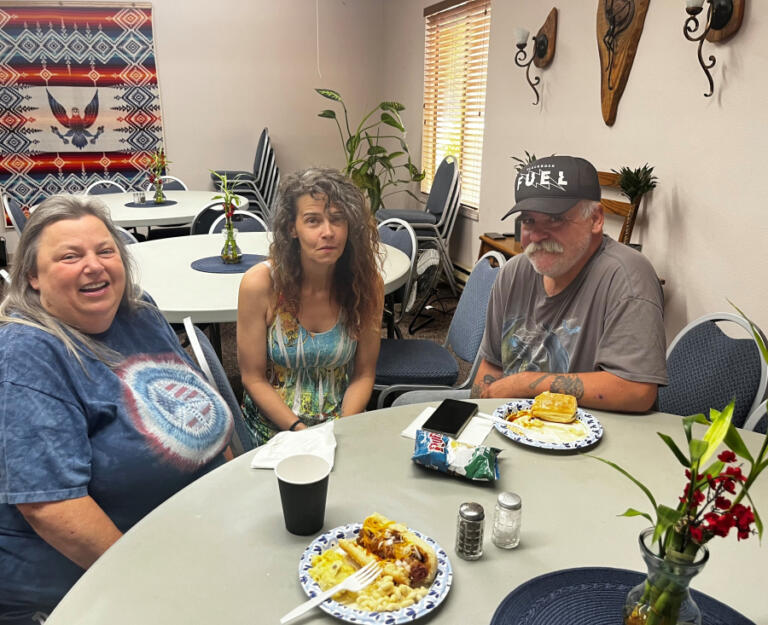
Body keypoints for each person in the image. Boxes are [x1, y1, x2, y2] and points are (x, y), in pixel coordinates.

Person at [0, 195, 233, 621]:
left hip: (189, 538)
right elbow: (51, 506)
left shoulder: (139, 313)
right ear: (33, 276)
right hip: (84, 582)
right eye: (70, 256)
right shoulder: (27, 352)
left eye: (105, 251)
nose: (94, 265)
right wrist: (145, 582)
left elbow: (201, 410)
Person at [471, 155, 667, 412]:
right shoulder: (513, 274)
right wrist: (476, 419)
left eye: (555, 219)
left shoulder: (627, 278)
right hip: (515, 427)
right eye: (529, 220)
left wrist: (527, 384)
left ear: (596, 219)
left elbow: (636, 390)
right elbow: (492, 366)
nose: (537, 235)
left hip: (591, 438)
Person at [238, 168, 383, 445]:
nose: (328, 232)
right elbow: (252, 378)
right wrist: (301, 433)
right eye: (313, 221)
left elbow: (364, 373)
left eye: (337, 219)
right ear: (292, 228)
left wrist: (337, 431)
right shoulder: (261, 285)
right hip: (273, 433)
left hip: (341, 428)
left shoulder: (366, 284)